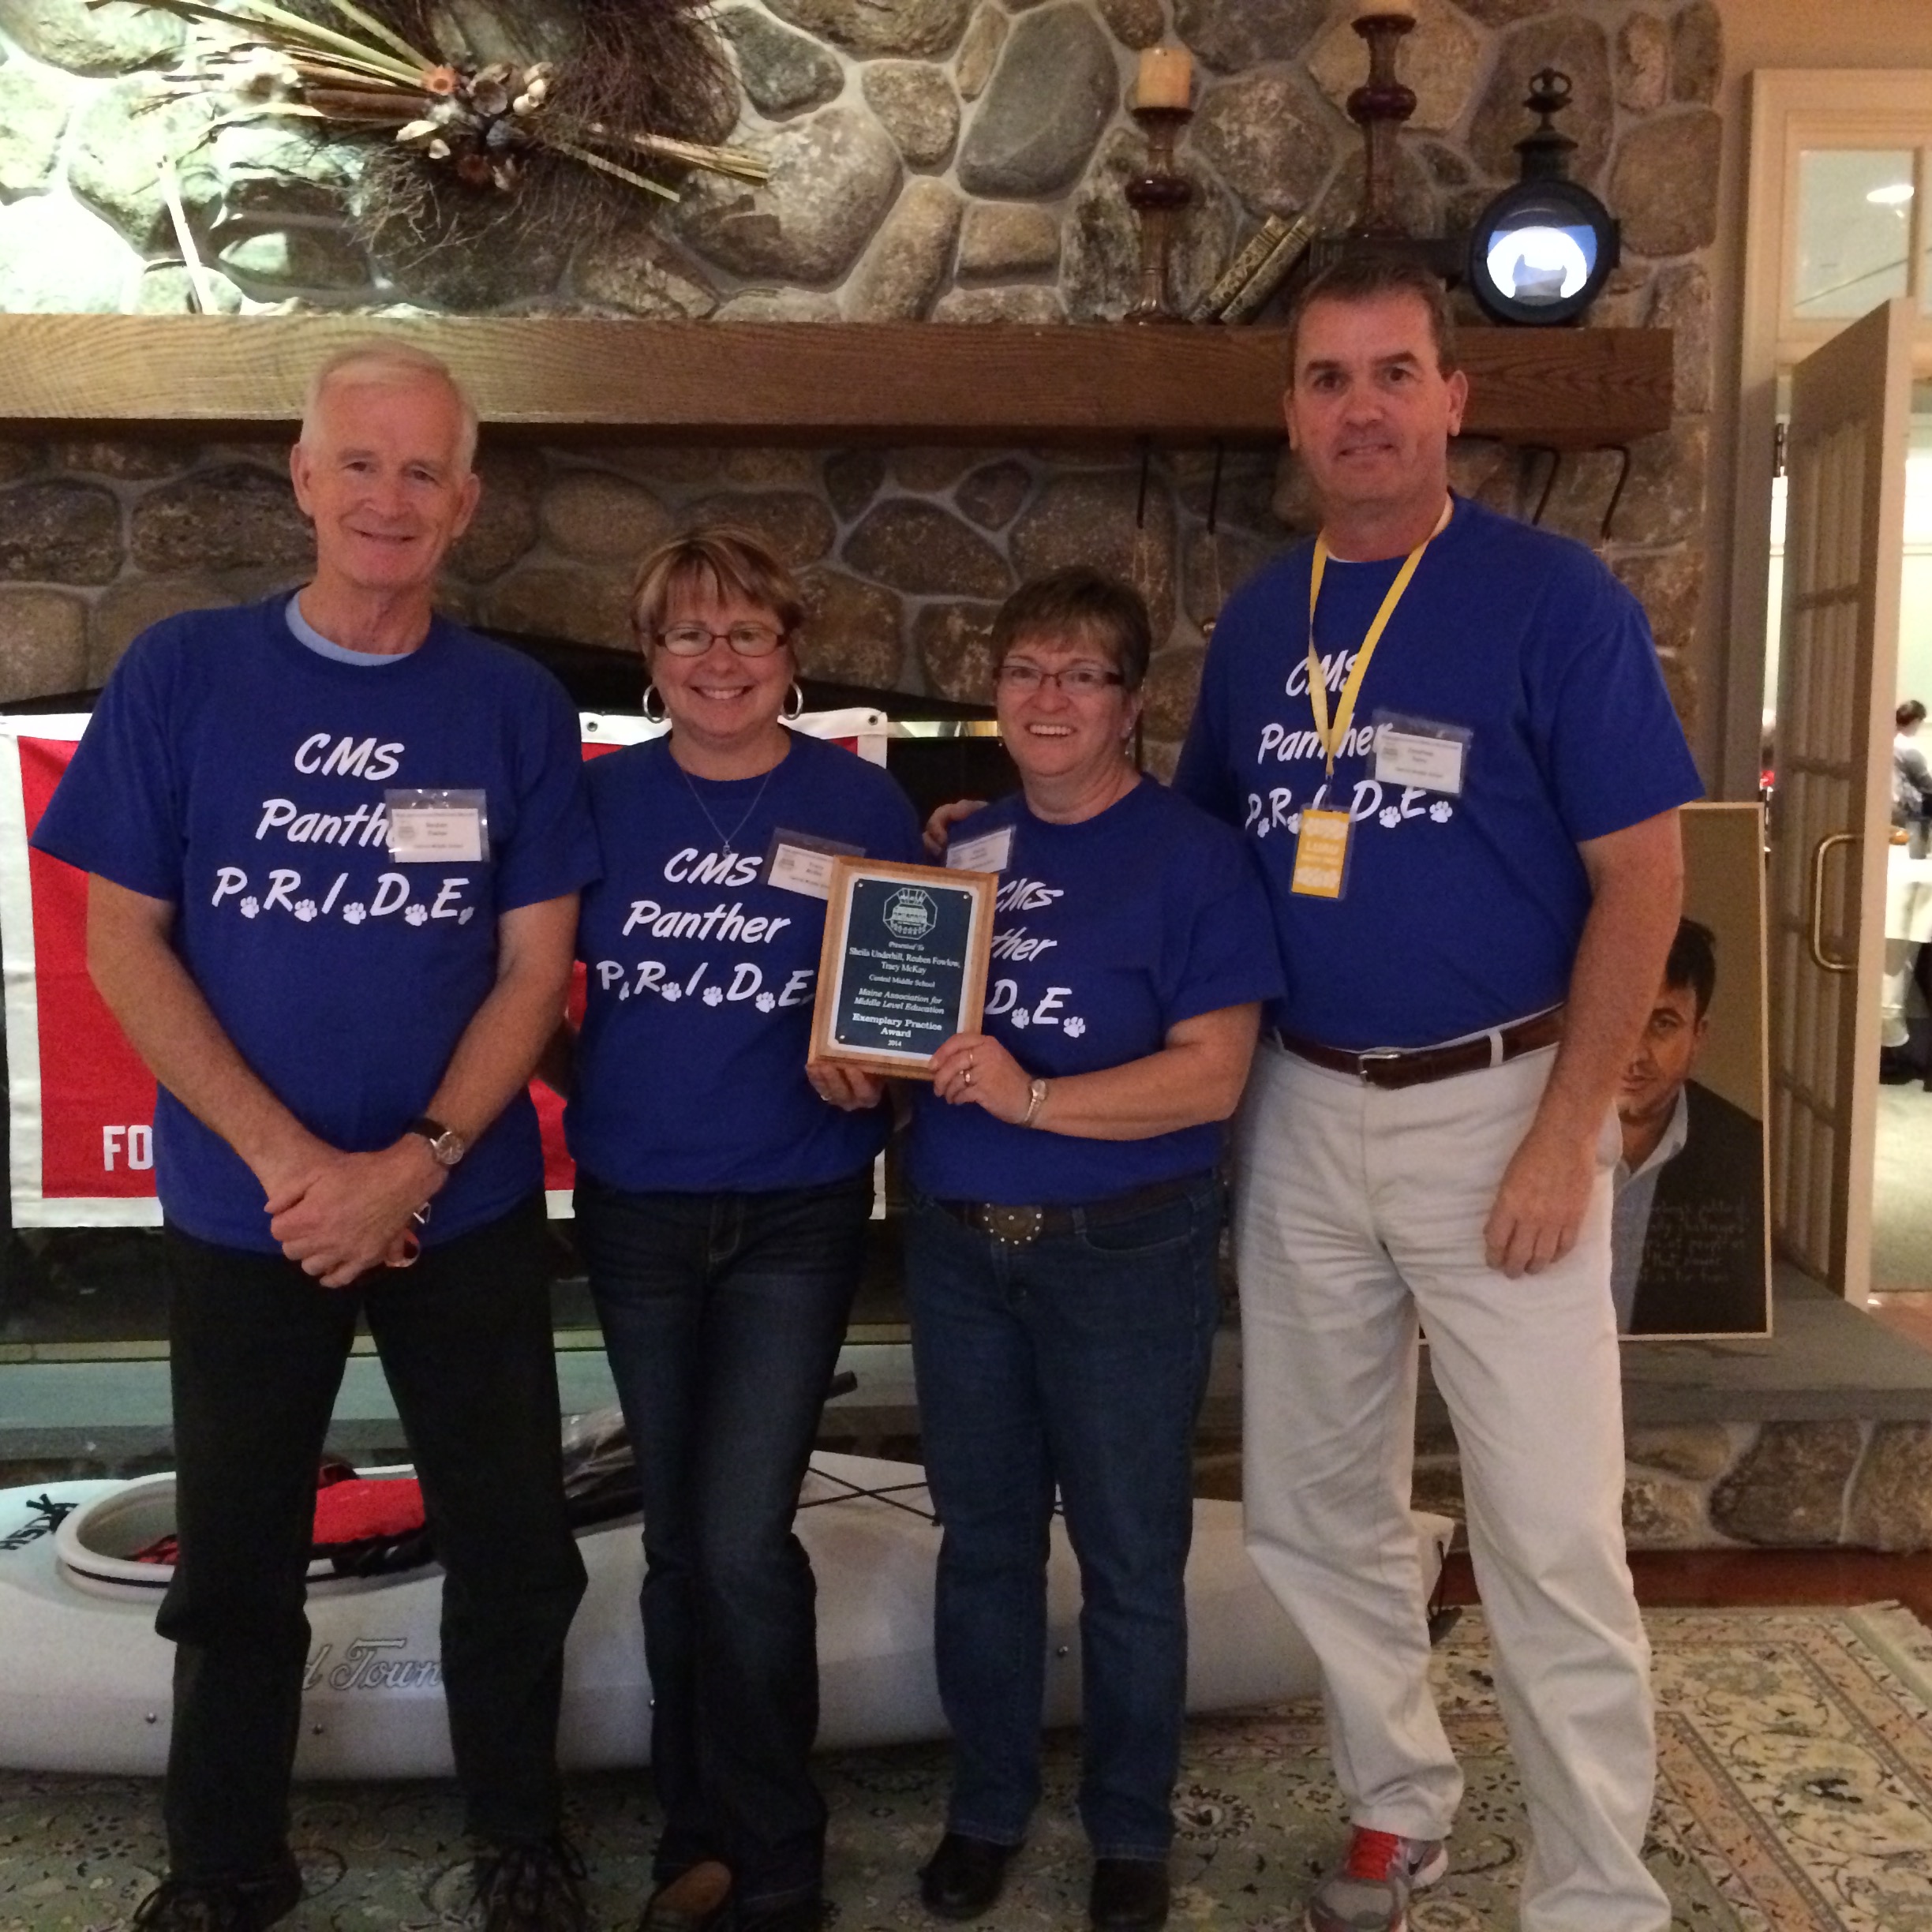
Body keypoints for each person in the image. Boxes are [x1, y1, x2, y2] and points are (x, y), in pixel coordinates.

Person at [31, 344, 598, 1931]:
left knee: (514, 1546)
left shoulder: (511, 705)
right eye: (359, 462)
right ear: (302, 478)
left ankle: (522, 1838)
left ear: (466, 502)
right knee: (233, 1563)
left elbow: (534, 971)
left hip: (460, 1203)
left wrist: (408, 1165)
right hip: (248, 1212)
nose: (388, 499)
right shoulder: (182, 673)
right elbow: (125, 943)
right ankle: (225, 1861)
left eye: (423, 472)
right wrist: (299, 1170)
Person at [1172, 255, 1702, 1932]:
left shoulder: (1553, 598)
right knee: (1313, 1507)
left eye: (1394, 372)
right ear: (1292, 413)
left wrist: (1569, 1131)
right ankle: (1397, 1802)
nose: (1363, 408)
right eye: (1328, 378)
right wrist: (1004, 851)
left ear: (1453, 397)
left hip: (1503, 1106)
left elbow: (1645, 880)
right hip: (1300, 1110)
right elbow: (1193, 866)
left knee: (1547, 1527)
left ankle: (1595, 1889)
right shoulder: (1258, 624)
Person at [889, 568, 1280, 1932]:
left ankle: (1128, 1828)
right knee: (983, 1545)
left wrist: (1034, 1097)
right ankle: (988, 1808)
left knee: (1128, 1557)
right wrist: (857, 1053)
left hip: (1124, 1252)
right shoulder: (959, 847)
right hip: (957, 1251)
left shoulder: (1195, 858)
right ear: (992, 689)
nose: (1047, 697)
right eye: (1024, 670)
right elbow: (904, 1017)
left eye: (1081, 674)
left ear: (1130, 703)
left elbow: (1212, 1075)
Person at [552, 527, 921, 1932]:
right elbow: (521, 982)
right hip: (637, 1209)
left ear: (790, 652)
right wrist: (595, 1084)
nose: (720, 659)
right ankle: (690, 1833)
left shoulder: (860, 802)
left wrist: (879, 1073)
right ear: (650, 660)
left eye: (747, 632)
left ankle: (776, 1850)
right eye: (688, 634)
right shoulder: (596, 801)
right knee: (674, 1539)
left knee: (744, 1536)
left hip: (795, 1211)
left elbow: (911, 1003)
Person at [1615, 919, 1768, 1336]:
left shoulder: (1748, 1155)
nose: (1634, 1054)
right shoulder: (1518, 1138)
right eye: (1618, 1020)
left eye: (1662, 1023)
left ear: (1699, 1035)